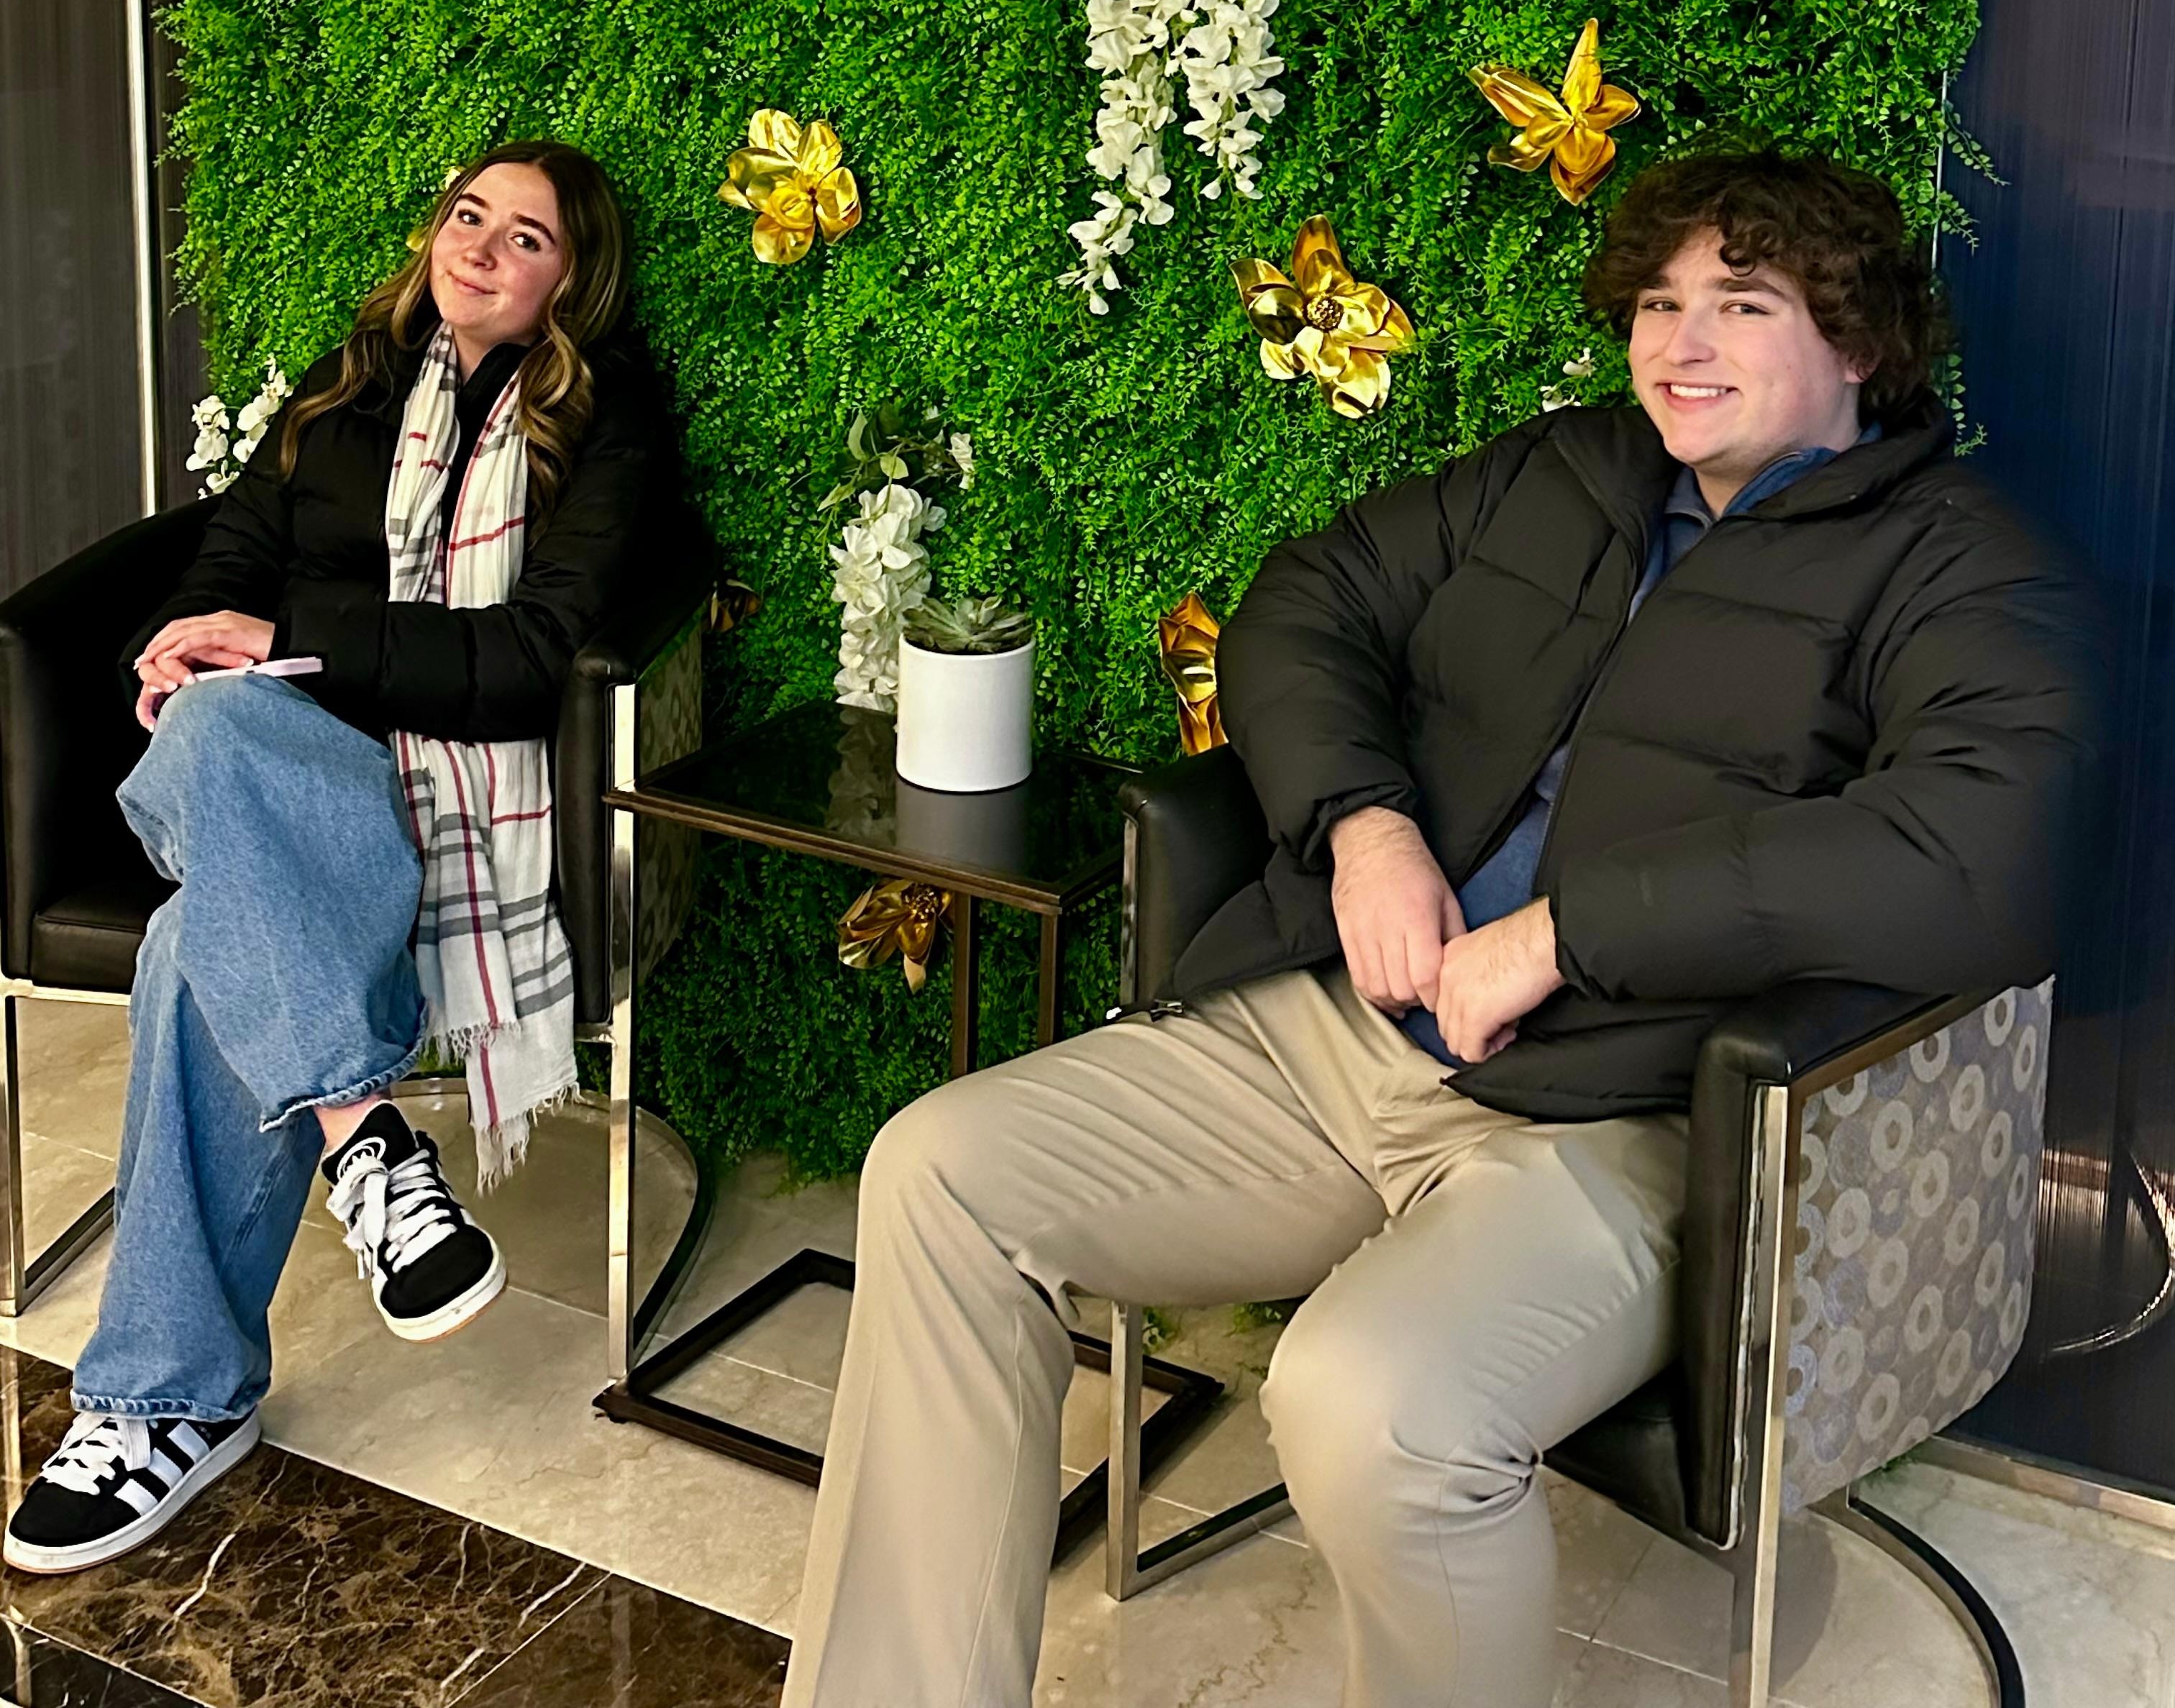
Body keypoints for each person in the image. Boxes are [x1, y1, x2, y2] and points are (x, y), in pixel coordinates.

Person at [780, 149, 2096, 1708]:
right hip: (1334, 1030)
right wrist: (1366, 828)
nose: (1681, 344)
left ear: (1859, 341)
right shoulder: (1569, 470)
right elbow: (1306, 602)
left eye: (1743, 306)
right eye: (1659, 302)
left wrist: (1564, 936)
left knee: (1374, 1407)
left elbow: (1976, 853)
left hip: (1622, 1114)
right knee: (939, 1173)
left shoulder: (1960, 564)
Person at [4, 142, 675, 1578]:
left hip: (445, 785)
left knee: (195, 943)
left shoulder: (603, 426)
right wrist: (188, 643)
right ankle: (365, 1146)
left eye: (528, 238)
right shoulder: (346, 387)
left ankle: (166, 1403)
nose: (480, 247)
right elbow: (226, 561)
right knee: (213, 728)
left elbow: (533, 660)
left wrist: (283, 642)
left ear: (575, 282)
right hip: (277, 757)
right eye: (468, 216)